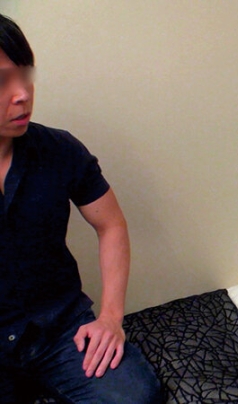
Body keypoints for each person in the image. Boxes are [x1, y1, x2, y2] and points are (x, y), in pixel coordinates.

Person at [0, 14, 161, 403]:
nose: (22, 94)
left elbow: (111, 225)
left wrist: (110, 318)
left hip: (57, 328)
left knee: (136, 398)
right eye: (3, 81)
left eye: (25, 75)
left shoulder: (60, 150)